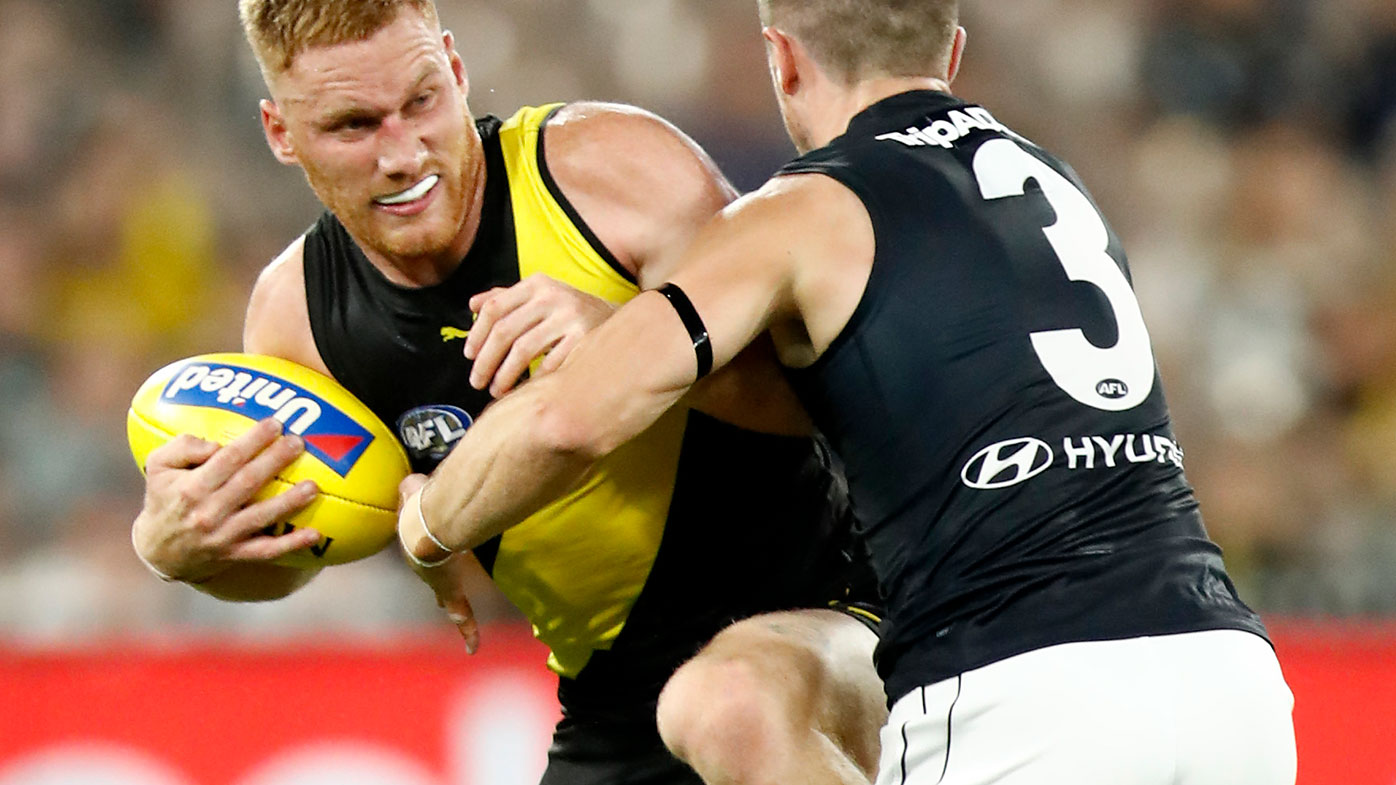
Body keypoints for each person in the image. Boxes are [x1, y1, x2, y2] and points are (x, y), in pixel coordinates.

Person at [396, 1, 1300, 783]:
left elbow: (567, 419)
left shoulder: (804, 209)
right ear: (949, 55)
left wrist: (430, 523)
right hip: (1231, 682)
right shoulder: (1054, 184)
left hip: (1022, 690)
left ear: (781, 58)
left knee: (708, 703)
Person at [130, 1, 889, 783]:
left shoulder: (613, 174)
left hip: (836, 614)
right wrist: (177, 551)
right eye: (354, 126)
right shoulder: (299, 318)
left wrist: (640, 343)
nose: (404, 154)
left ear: (457, 71)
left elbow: (835, 398)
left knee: (737, 704)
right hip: (613, 701)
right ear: (281, 133)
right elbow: (302, 548)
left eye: (422, 102)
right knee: (720, 701)